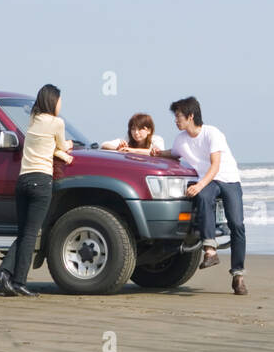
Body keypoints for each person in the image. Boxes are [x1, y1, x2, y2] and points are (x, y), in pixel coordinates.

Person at [152, 96, 247, 294]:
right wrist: (153, 153)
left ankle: (238, 274)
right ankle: (210, 251)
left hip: (228, 179)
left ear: (191, 116)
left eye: (178, 116)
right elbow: (171, 153)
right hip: (209, 181)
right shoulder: (181, 139)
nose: (176, 120)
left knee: (237, 224)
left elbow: (216, 165)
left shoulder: (212, 133)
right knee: (203, 197)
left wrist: (200, 184)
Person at [0, 83, 73, 296]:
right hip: (41, 181)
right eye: (59, 100)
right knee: (31, 235)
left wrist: (60, 150)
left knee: (23, 232)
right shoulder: (57, 122)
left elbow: (46, 145)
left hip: (23, 181)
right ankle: (19, 282)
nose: (61, 104)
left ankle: (5, 273)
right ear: (53, 101)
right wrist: (67, 149)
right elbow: (62, 145)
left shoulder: (32, 120)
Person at [99, 113, 165, 155]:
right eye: (133, 129)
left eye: (140, 129)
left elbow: (158, 153)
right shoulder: (128, 138)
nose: (136, 132)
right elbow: (104, 145)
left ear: (149, 131)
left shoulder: (156, 140)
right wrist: (118, 148)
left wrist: (131, 150)